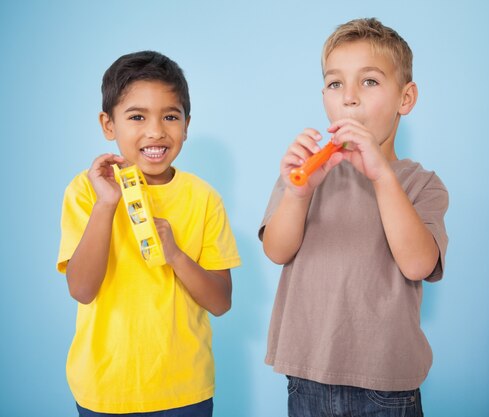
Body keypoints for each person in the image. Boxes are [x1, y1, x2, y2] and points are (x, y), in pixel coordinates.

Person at [259, 18, 448, 416]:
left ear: (406, 99)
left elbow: (417, 264)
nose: (349, 98)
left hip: (386, 386)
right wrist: (298, 194)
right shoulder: (306, 174)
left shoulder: (421, 184)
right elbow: (277, 250)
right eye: (335, 84)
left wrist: (381, 175)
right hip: (307, 376)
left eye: (370, 82)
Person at [57, 50, 241, 417]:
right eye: (137, 116)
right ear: (108, 125)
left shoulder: (203, 198)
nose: (156, 131)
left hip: (184, 390)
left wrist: (174, 253)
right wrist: (106, 205)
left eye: (170, 116)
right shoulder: (86, 190)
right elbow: (81, 289)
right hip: (105, 389)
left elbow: (221, 302)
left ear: (187, 124)